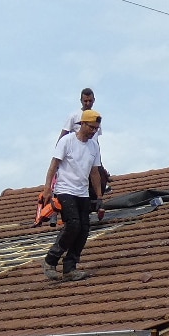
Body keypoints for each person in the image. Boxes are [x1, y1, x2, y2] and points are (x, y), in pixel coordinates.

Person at [42, 110, 104, 281]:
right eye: (91, 127)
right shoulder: (67, 141)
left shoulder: (94, 147)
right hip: (65, 189)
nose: (93, 131)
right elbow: (54, 165)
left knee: (84, 229)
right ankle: (50, 260)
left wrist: (99, 197)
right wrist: (47, 189)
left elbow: (95, 173)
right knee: (73, 224)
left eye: (96, 129)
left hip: (82, 192)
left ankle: (70, 267)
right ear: (82, 124)